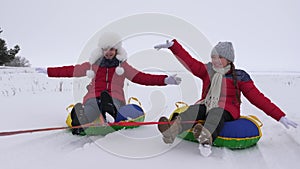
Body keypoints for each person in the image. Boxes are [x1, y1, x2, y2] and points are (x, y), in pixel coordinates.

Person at [154, 39, 298, 157]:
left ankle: (206, 139)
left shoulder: (240, 76)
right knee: (194, 109)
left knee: (216, 113)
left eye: (219, 57)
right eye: (213, 57)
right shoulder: (208, 71)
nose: (215, 60)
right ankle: (171, 131)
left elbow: (257, 98)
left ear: (228, 59)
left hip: (227, 109)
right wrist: (174, 47)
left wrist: (280, 116)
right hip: (207, 103)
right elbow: (190, 63)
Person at [36, 32, 181, 135]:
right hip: (94, 97)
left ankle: (108, 112)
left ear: (117, 50)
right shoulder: (92, 65)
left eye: (111, 49)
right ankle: (80, 120)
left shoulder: (123, 67)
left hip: (114, 98)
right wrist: (48, 71)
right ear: (102, 49)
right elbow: (71, 70)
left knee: (113, 105)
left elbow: (141, 77)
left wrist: (165, 80)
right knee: (91, 109)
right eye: (106, 49)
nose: (108, 52)